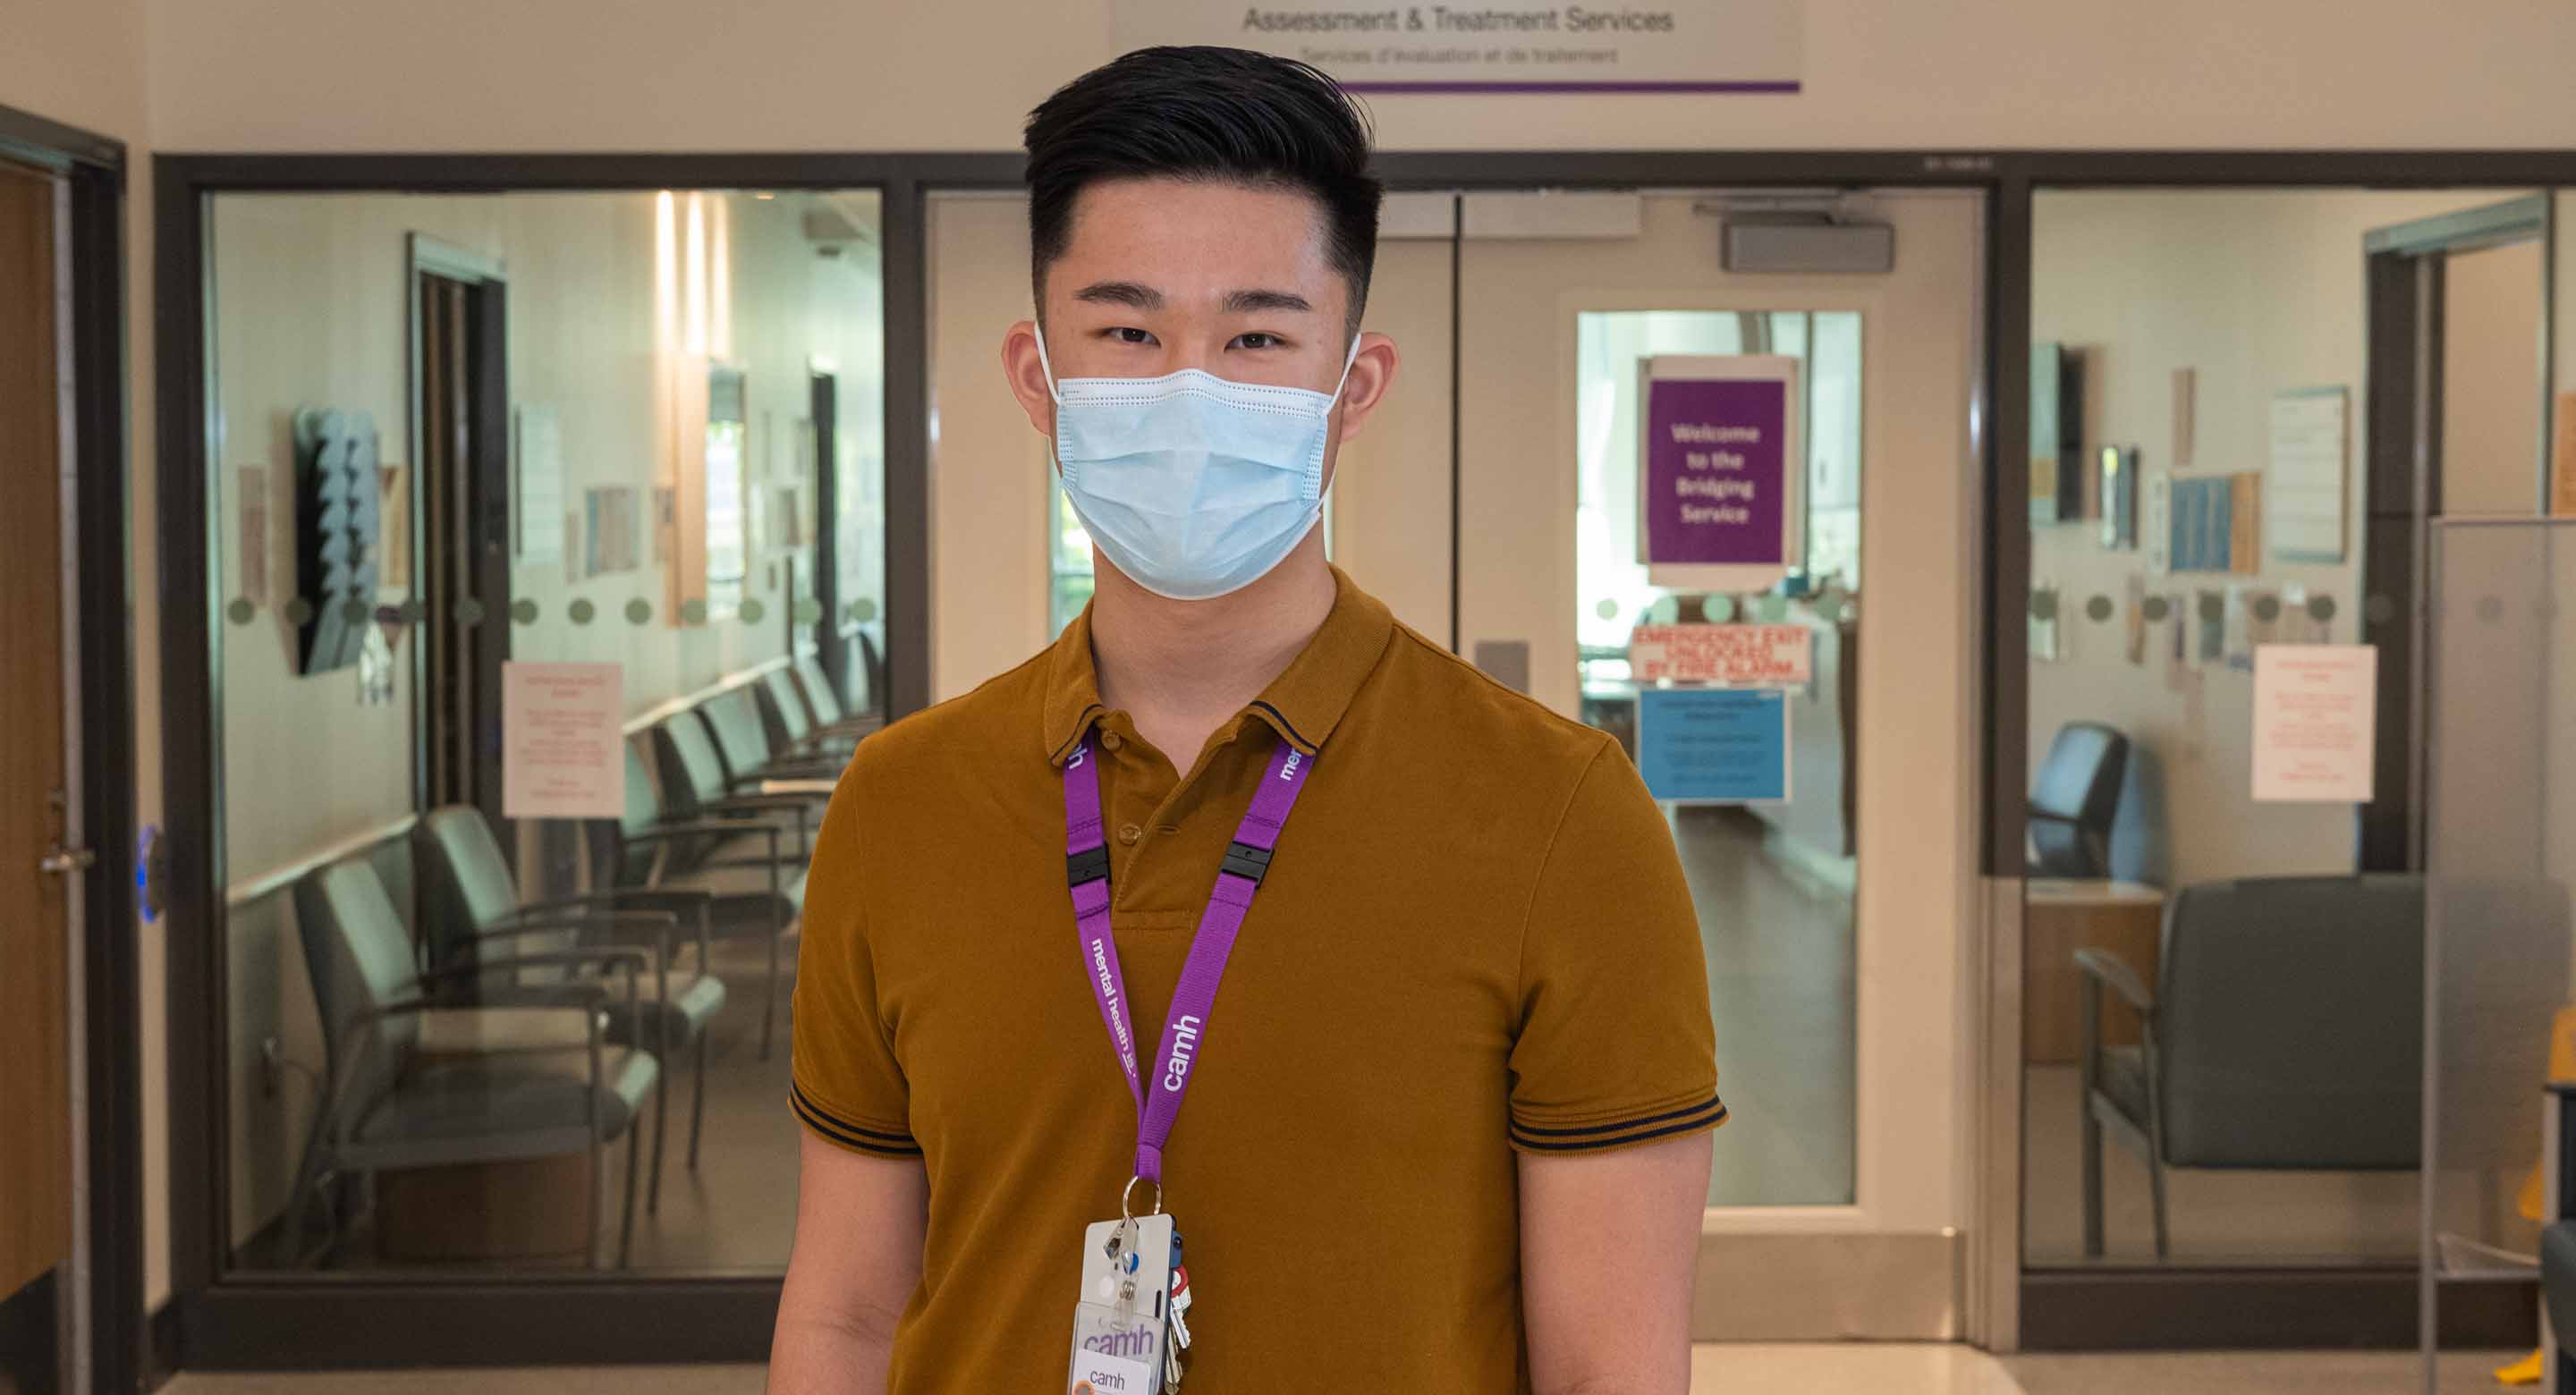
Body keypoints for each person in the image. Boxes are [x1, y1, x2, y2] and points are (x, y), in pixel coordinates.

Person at [769, 46, 1722, 1394]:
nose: (1190, 388)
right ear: (1039, 379)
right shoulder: (902, 800)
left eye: (1259, 337)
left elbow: (1608, 1367)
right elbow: (848, 1314)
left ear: (1356, 387)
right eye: (1129, 331)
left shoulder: (1559, 813)